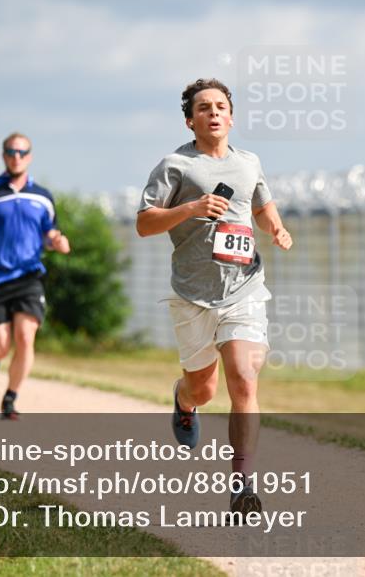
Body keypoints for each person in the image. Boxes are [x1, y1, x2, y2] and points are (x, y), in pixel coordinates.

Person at [136, 78, 293, 515]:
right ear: (191, 120)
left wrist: (276, 227)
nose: (214, 113)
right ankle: (183, 400)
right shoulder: (175, 166)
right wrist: (191, 208)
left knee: (243, 376)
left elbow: (261, 206)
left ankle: (243, 483)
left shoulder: (249, 163)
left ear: (232, 116)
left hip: (243, 286)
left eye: (221, 106)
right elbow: (145, 223)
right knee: (203, 389)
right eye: (204, 108)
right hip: (193, 293)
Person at [0, 133, 70, 419]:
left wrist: (57, 241)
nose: (16, 157)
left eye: (22, 152)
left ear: (29, 156)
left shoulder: (43, 196)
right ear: (3, 155)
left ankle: (11, 398)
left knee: (25, 336)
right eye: (11, 152)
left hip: (29, 276)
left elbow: (49, 234)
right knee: (0, 345)